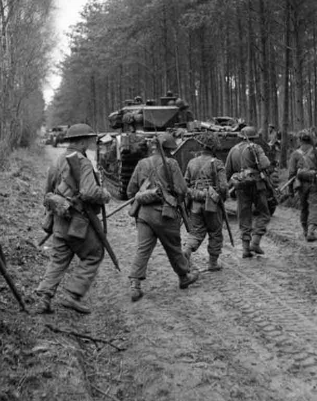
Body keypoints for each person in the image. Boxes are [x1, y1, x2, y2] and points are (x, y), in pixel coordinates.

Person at [34, 123, 111, 315]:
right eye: (89, 140)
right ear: (82, 141)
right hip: (77, 222)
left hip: (59, 220)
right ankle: (73, 295)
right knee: (94, 254)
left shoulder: (58, 160)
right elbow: (89, 192)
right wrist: (104, 195)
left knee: (58, 260)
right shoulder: (83, 162)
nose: (90, 143)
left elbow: (48, 192)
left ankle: (44, 298)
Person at [126, 133, 199, 302]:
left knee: (143, 249)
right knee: (174, 248)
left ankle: (135, 285)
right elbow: (182, 189)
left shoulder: (142, 163)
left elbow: (131, 190)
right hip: (165, 214)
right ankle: (184, 277)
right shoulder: (171, 164)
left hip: (144, 215)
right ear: (168, 149)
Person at [183, 133, 228, 271]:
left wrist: (194, 194)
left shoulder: (192, 162)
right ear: (213, 147)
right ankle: (213, 263)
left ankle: (187, 250)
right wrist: (221, 198)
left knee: (196, 232)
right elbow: (223, 187)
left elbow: (184, 185)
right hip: (213, 205)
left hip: (195, 205)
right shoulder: (217, 163)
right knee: (215, 232)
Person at [225, 126, 271, 258]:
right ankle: (255, 242)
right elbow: (266, 164)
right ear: (254, 137)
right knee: (264, 214)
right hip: (257, 185)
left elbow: (227, 171)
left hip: (240, 187)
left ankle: (245, 249)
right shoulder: (255, 147)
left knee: (244, 216)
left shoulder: (233, 150)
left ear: (240, 136)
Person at [287, 130, 317, 241]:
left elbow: (291, 173)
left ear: (300, 140)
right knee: (314, 206)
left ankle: (305, 230)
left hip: (300, 184)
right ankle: (311, 230)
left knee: (304, 207)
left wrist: (290, 189)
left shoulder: (295, 154)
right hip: (314, 183)